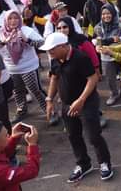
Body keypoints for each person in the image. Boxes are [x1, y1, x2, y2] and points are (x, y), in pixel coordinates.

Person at [41, 32, 113, 183]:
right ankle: (83, 164)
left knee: (93, 135)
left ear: (63, 46)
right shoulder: (55, 59)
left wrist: (81, 100)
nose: (49, 53)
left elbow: (92, 79)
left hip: (86, 103)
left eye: (52, 49)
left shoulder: (80, 58)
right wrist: (49, 100)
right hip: (67, 104)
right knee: (73, 135)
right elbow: (54, 78)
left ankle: (104, 162)